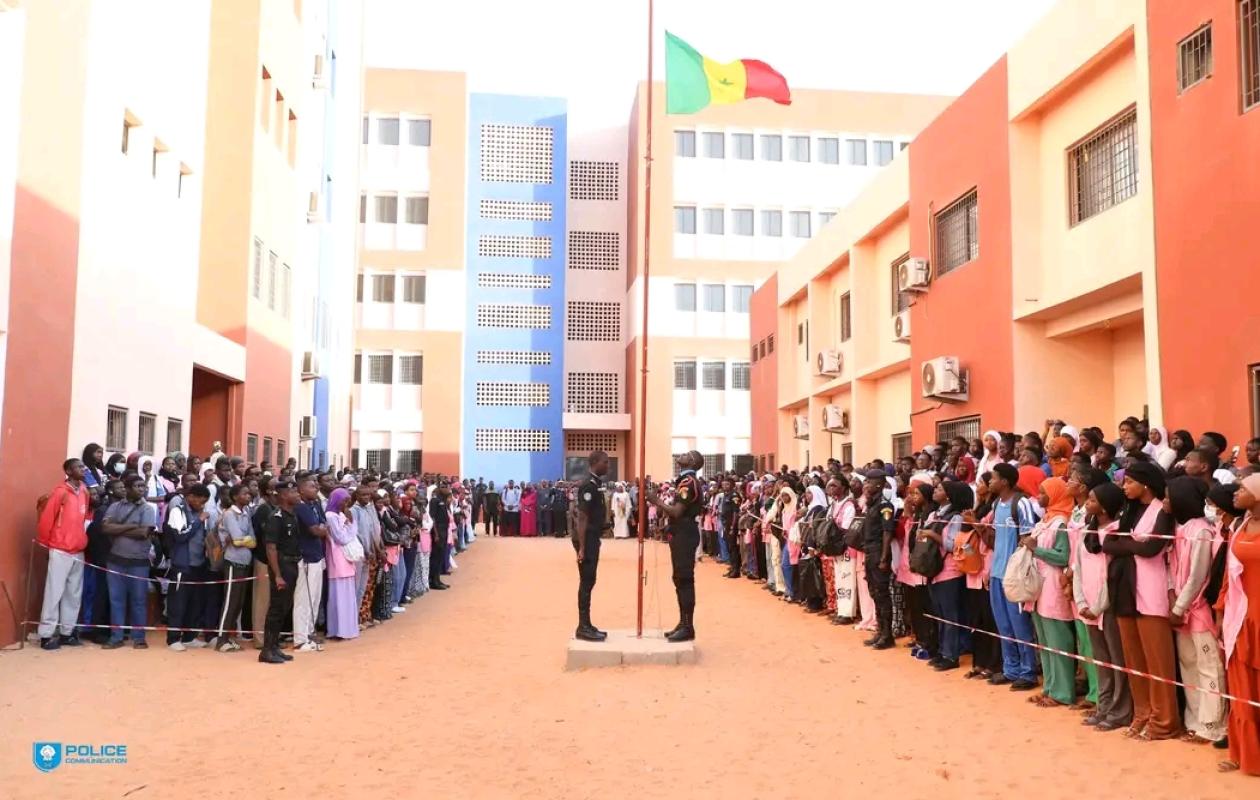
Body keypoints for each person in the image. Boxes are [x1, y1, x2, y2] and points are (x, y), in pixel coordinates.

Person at [1102, 461, 1181, 740]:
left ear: (1145, 484)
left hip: (1151, 590)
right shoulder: (1129, 510)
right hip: (1124, 589)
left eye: (1129, 482)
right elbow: (1106, 543)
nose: (1124, 487)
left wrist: (1128, 545)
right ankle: (1142, 713)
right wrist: (1132, 545)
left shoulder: (1162, 510)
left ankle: (1164, 720)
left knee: (1157, 660)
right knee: (1133, 657)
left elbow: (1151, 548)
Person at [1165, 476, 1227, 743]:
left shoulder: (1202, 530)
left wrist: (1179, 606)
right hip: (1180, 608)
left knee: (1208, 667)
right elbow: (1171, 567)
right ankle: (1194, 720)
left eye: (1169, 497)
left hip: (1196, 609)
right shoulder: (1181, 527)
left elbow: (1198, 575)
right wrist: (1171, 598)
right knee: (1187, 665)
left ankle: (1213, 725)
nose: (1166, 501)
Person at [1077, 482, 1134, 732]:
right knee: (1100, 659)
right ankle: (1104, 706)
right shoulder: (1086, 531)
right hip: (1086, 604)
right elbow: (1078, 568)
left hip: (1108, 605)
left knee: (1116, 658)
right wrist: (1080, 601)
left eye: (1092, 499)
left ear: (1106, 505)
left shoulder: (1116, 532)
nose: (1087, 502)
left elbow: (1112, 575)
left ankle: (1120, 711)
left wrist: (1099, 606)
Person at [1219, 473, 1260, 775]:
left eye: (1243, 489)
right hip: (1240, 616)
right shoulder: (1239, 526)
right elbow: (1228, 575)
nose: (1235, 492)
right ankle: (1245, 754)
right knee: (1241, 689)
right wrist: (1221, 608)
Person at [1023, 477, 1076, 707]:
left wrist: (1037, 550)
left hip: (1053, 586)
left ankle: (1063, 693)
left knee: (1058, 643)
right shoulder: (1045, 521)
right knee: (1044, 642)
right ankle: (1050, 687)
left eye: (1043, 492)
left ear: (1055, 494)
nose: (1039, 496)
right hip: (1039, 587)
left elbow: (1063, 556)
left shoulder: (1061, 523)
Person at [987, 463, 1039, 689]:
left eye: (993, 478)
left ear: (1005, 481)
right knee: (1003, 624)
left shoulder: (1022, 503)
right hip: (997, 573)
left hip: (1014, 574)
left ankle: (1028, 673)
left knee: (1020, 625)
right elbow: (995, 539)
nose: (990, 482)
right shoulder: (997, 503)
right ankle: (1011, 669)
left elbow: (1028, 538)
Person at [647, 451, 705, 643]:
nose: (682, 455)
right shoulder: (683, 481)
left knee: (685, 579)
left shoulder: (688, 483)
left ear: (693, 462)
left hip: (685, 533)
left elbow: (678, 511)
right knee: (679, 578)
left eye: (688, 454)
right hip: (681, 531)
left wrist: (656, 500)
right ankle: (683, 622)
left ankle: (688, 626)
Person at [35, 459, 91, 650]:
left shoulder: (84, 490)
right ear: (68, 471)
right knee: (54, 592)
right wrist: (47, 545)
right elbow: (46, 519)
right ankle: (46, 635)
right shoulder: (60, 492)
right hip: (60, 548)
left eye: (83, 467)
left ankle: (67, 632)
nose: (83, 470)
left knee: (73, 594)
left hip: (78, 549)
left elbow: (86, 517)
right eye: (79, 467)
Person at [100, 474, 157, 650]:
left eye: (143, 486)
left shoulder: (148, 509)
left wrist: (118, 529)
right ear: (128, 488)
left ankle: (138, 637)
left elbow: (143, 533)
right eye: (138, 486)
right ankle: (116, 637)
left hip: (138, 561)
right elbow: (105, 528)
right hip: (115, 560)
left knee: (139, 600)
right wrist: (132, 526)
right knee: (116, 599)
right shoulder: (115, 506)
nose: (142, 489)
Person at [164, 484, 212, 650]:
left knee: (195, 603)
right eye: (201, 501)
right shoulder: (178, 511)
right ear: (191, 496)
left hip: (199, 564)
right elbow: (180, 536)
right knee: (178, 603)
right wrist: (198, 521)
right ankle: (173, 639)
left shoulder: (201, 514)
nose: (202, 505)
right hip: (182, 565)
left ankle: (189, 637)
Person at [259, 480, 301, 664]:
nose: (297, 494)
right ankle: (267, 650)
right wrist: (277, 574)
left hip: (292, 564)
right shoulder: (276, 517)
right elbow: (271, 548)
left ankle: (274, 646)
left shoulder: (292, 515)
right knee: (276, 608)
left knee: (285, 606)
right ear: (283, 495)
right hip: (282, 565)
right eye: (293, 492)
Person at [573, 451, 611, 642]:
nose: (608, 465)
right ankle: (583, 626)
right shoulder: (588, 485)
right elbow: (582, 517)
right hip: (586, 539)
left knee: (590, 580)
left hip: (592, 537)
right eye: (605, 462)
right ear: (595, 463)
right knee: (587, 581)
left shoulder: (596, 484)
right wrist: (581, 547)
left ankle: (586, 624)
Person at [214, 483, 256, 652]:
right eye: (245, 493)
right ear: (235, 497)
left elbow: (253, 540)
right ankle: (221, 639)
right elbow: (237, 539)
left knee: (238, 602)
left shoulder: (246, 513)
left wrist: (242, 540)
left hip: (245, 561)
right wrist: (242, 540)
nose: (249, 496)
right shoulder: (230, 514)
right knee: (230, 601)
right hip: (232, 561)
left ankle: (228, 638)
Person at [859, 473, 897, 649]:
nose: (866, 485)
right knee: (874, 592)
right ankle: (880, 631)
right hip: (869, 552)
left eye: (870, 482)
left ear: (880, 485)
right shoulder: (871, 505)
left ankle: (887, 635)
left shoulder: (884, 506)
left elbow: (887, 533)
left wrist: (883, 558)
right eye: (865, 482)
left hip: (878, 553)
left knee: (882, 594)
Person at [292, 476, 329, 652]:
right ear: (301, 490)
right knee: (303, 600)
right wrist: (323, 530)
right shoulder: (301, 507)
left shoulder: (314, 505)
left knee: (314, 599)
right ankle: (300, 639)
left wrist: (323, 529)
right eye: (312, 486)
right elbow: (316, 530)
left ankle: (309, 633)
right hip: (306, 558)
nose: (316, 488)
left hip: (317, 557)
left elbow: (324, 526)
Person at [324, 488, 360, 640]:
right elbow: (341, 538)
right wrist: (351, 526)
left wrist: (350, 523)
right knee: (337, 595)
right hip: (336, 557)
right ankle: (337, 630)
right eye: (344, 500)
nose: (346, 504)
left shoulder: (341, 514)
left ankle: (348, 629)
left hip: (346, 558)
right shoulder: (330, 516)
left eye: (347, 501)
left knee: (348, 595)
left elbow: (349, 534)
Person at [427, 482, 451, 590]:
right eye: (443, 487)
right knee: (436, 557)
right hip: (438, 531)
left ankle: (438, 579)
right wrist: (436, 534)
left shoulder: (443, 500)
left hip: (444, 530)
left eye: (446, 486)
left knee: (441, 556)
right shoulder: (435, 500)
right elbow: (433, 518)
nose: (446, 488)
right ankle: (433, 581)